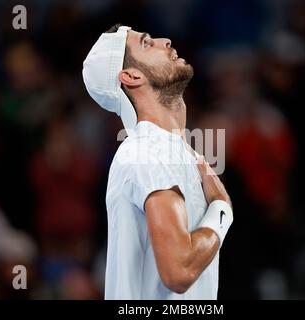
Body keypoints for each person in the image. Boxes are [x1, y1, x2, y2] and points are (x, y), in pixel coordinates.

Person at [82, 24, 233, 299]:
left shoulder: (169, 150)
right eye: (147, 43)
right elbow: (179, 271)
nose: (165, 41)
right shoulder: (148, 151)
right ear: (131, 75)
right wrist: (222, 210)